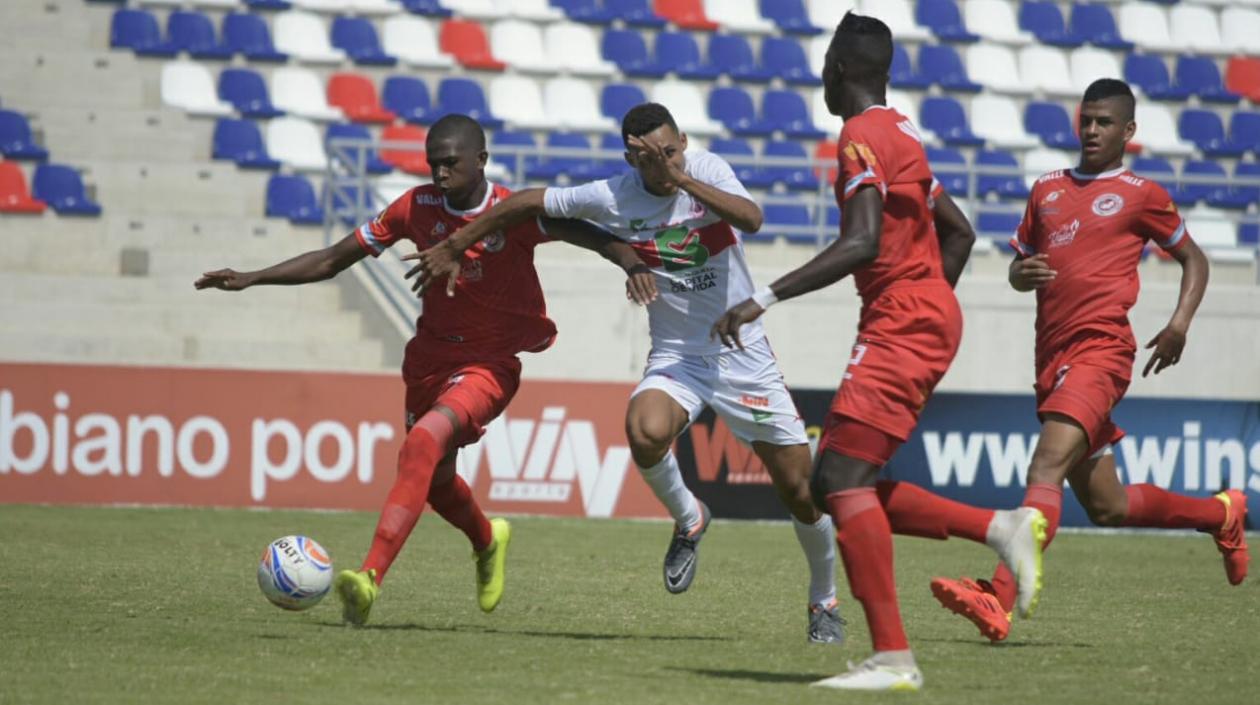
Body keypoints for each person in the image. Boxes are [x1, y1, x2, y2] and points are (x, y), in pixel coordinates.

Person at [406, 103, 846, 644]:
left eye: (671, 149)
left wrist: (681, 176)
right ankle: (690, 518)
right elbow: (524, 203)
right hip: (679, 355)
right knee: (644, 430)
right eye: (650, 156)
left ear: (682, 142)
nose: (664, 161)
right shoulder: (613, 194)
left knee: (799, 491)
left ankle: (823, 600)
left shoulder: (703, 169)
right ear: (630, 159)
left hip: (741, 352)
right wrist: (454, 244)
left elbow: (751, 219)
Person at [195, 114, 654, 626]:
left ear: (480, 160)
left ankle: (369, 578)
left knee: (422, 442)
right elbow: (333, 259)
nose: (439, 173)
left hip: (489, 364)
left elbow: (589, 234)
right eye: (433, 163)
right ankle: (487, 539)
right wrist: (253, 278)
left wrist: (632, 263)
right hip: (430, 361)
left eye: (450, 163)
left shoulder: (511, 212)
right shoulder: (415, 207)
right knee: (434, 480)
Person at [712, 13, 1046, 691]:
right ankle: (1000, 527)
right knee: (836, 483)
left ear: (838, 67)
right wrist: (926, 300)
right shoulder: (903, 131)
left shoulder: (862, 136)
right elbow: (958, 231)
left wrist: (764, 298)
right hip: (918, 316)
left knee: (834, 483)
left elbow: (863, 240)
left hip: (903, 322)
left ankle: (893, 657)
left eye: (825, 64)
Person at [930, 78, 1248, 643]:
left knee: (1043, 468)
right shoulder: (1047, 189)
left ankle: (998, 597)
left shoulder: (1141, 193)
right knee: (1108, 506)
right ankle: (1220, 514)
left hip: (1101, 353)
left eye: (1104, 122)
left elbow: (1194, 259)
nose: (1092, 130)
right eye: (1087, 120)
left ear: (1128, 131)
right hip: (1051, 359)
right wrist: (1016, 275)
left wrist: (1178, 325)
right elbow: (1019, 266)